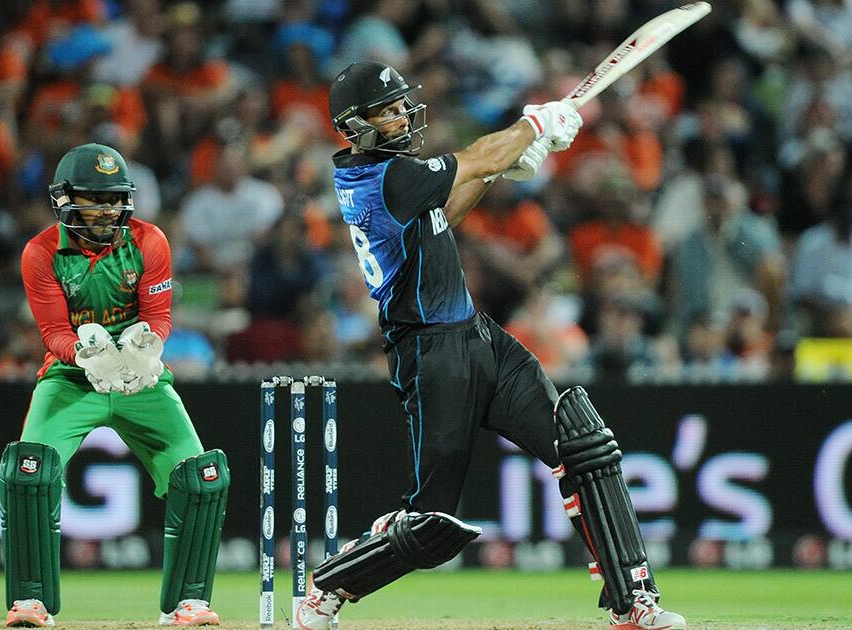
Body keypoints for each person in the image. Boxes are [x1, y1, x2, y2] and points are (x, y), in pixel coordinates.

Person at [294, 62, 687, 630]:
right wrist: (533, 126)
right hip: (430, 355)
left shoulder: (395, 177)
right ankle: (329, 587)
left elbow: (445, 211)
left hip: (478, 336)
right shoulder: (380, 178)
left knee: (583, 447)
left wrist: (505, 170)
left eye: (403, 103)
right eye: (387, 109)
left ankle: (632, 604)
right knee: (430, 523)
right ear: (356, 125)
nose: (402, 115)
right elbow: (475, 158)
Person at [1, 143, 229, 627]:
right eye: (94, 199)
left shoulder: (150, 241)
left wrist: (148, 347)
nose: (108, 210)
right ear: (64, 199)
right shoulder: (40, 252)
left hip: (140, 376)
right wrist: (85, 355)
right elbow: (53, 332)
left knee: (199, 478)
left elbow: (159, 317)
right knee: (29, 473)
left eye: (114, 199)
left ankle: (188, 603)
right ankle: (30, 601)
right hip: (71, 378)